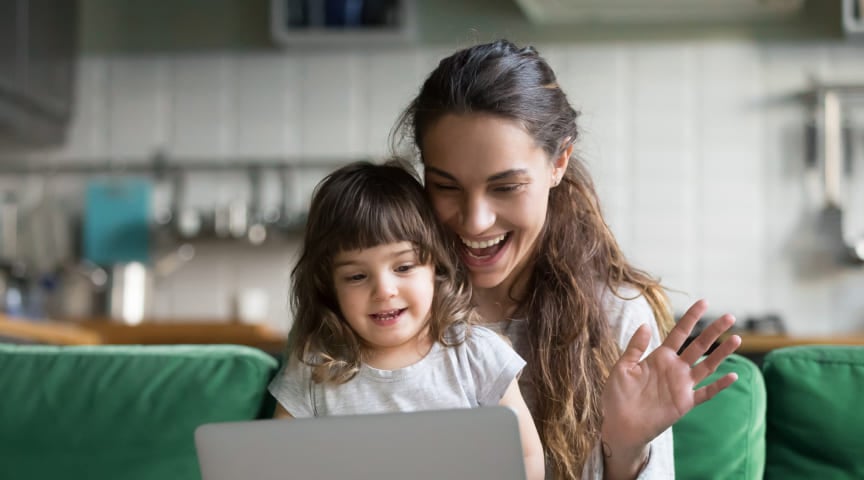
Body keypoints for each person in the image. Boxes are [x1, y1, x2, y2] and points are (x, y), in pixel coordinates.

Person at [392, 39, 742, 479]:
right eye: (446, 186)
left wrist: (627, 449)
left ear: (559, 162)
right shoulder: (389, 305)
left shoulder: (616, 316)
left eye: (505, 187)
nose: (476, 221)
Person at [268, 161, 546, 480]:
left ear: (435, 268)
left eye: (403, 268)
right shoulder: (314, 368)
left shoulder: (476, 354)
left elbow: (525, 453)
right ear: (329, 286)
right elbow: (281, 463)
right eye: (357, 276)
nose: (384, 291)